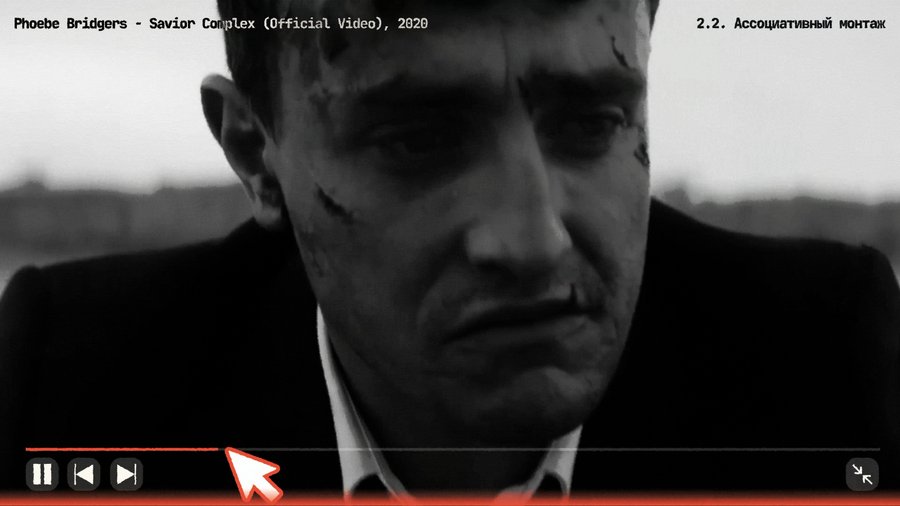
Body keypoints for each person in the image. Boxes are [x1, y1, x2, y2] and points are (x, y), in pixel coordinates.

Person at [1, 0, 898, 496]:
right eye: (418, 140)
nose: (533, 239)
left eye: (591, 121)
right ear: (255, 154)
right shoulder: (74, 389)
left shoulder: (827, 372)